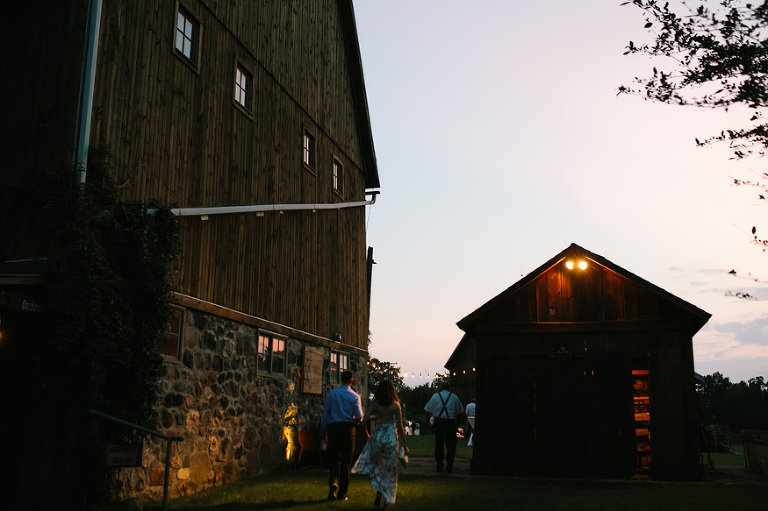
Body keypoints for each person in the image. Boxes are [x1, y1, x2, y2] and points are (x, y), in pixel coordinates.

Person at [352, 379, 409, 510]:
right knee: (390, 471)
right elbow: (400, 426)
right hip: (390, 440)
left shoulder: (374, 405)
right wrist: (405, 445)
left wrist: (367, 434)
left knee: (378, 468)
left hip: (377, 438)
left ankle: (379, 492)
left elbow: (364, 420)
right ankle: (387, 500)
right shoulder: (396, 405)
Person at [321, 370, 363, 501]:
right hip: (347, 429)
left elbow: (325, 414)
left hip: (334, 428)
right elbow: (360, 416)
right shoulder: (354, 396)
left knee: (334, 458)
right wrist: (354, 421)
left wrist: (324, 432)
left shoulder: (332, 394)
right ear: (351, 380)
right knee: (346, 461)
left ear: (341, 379)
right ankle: (342, 493)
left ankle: (333, 482)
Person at [424, 381, 463, 473]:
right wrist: (457, 424)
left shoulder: (435, 396)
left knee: (439, 444)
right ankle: (449, 464)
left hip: (439, 422)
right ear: (449, 388)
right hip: (450, 423)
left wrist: (427, 423)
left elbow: (427, 410)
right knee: (451, 445)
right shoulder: (454, 397)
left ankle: (439, 464)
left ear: (441, 387)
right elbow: (460, 412)